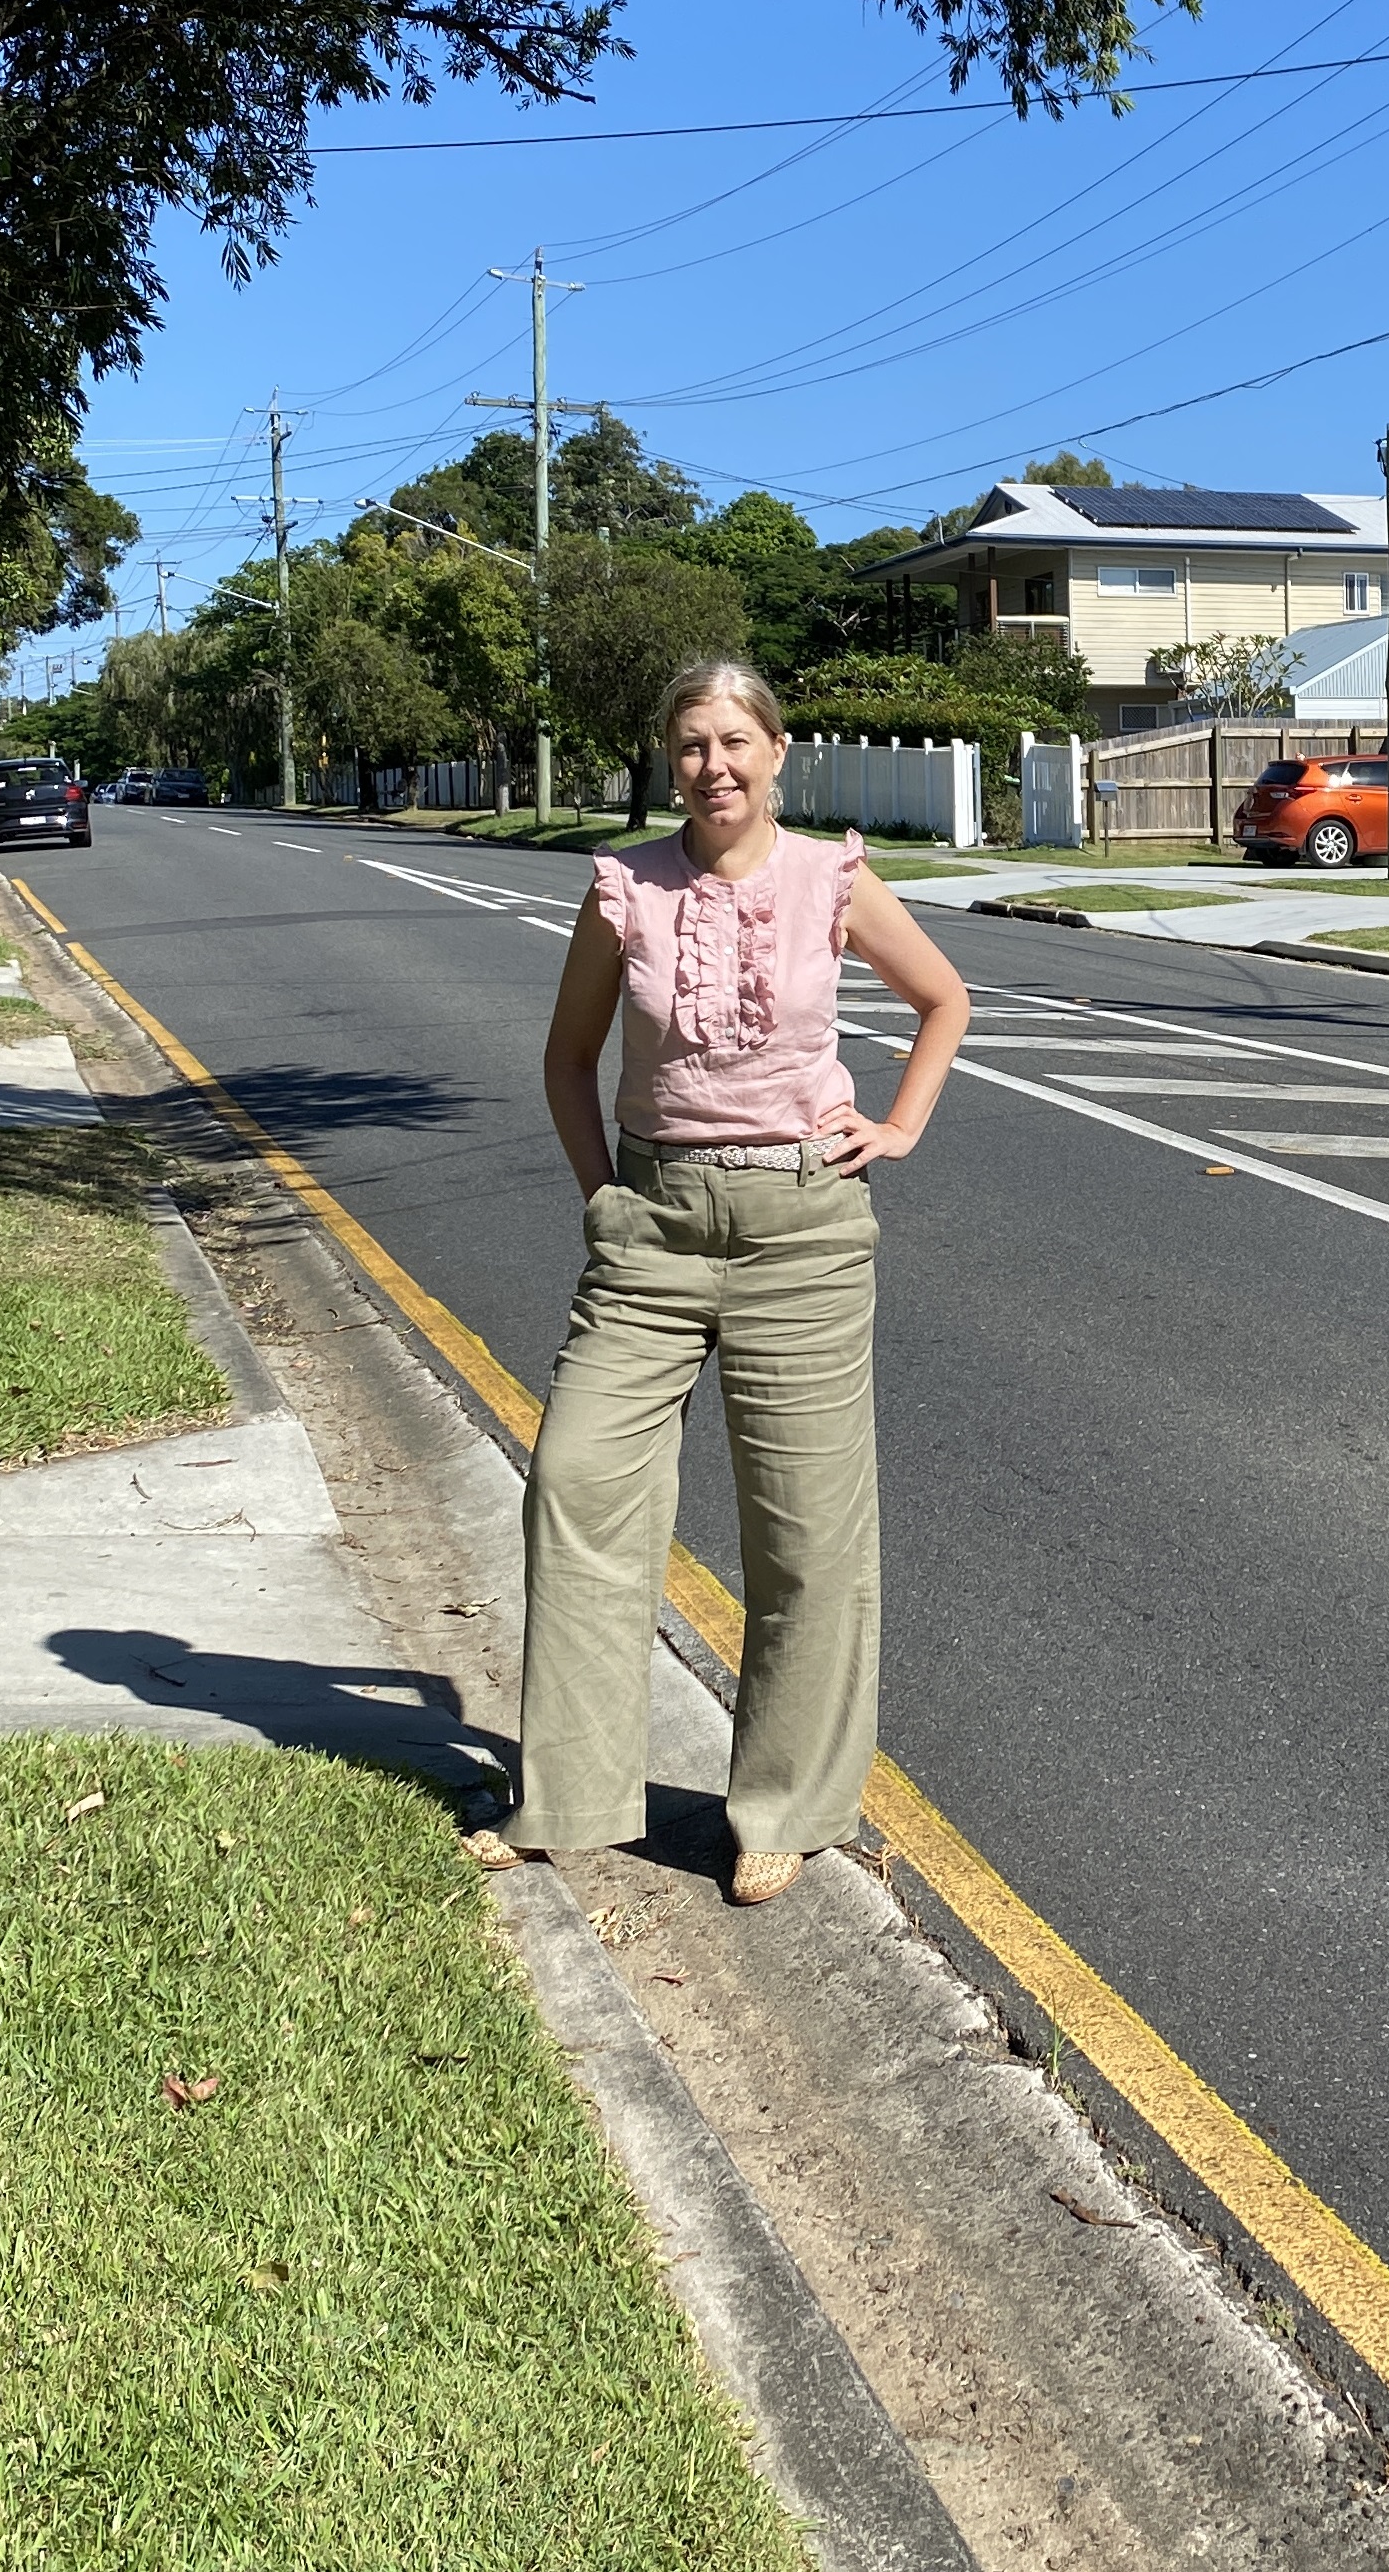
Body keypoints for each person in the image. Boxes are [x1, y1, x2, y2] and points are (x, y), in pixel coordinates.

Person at [477, 658, 969, 1902]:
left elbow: (942, 998)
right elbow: (567, 1059)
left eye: (736, 740)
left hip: (802, 1233)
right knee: (579, 1475)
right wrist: (604, 1195)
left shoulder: (831, 879)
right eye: (692, 743)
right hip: (651, 1230)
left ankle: (785, 1810)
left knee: (803, 1531)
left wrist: (898, 1127)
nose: (715, 765)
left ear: (778, 752)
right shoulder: (623, 887)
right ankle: (571, 1796)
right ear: (668, 755)